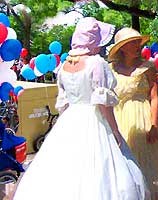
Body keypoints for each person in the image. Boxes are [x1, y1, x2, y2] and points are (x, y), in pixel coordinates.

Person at [13, 17, 148, 200]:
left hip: (70, 119)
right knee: (99, 168)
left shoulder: (65, 65)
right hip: (94, 118)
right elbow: (103, 102)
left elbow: (64, 102)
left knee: (67, 167)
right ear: (92, 39)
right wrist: (115, 131)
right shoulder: (96, 63)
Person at [108, 27, 158, 200]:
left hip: (143, 120)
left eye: (138, 42)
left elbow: (154, 97)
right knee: (123, 166)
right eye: (132, 43)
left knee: (152, 168)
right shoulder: (111, 69)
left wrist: (153, 125)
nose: (137, 46)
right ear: (122, 47)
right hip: (119, 120)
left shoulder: (148, 66)